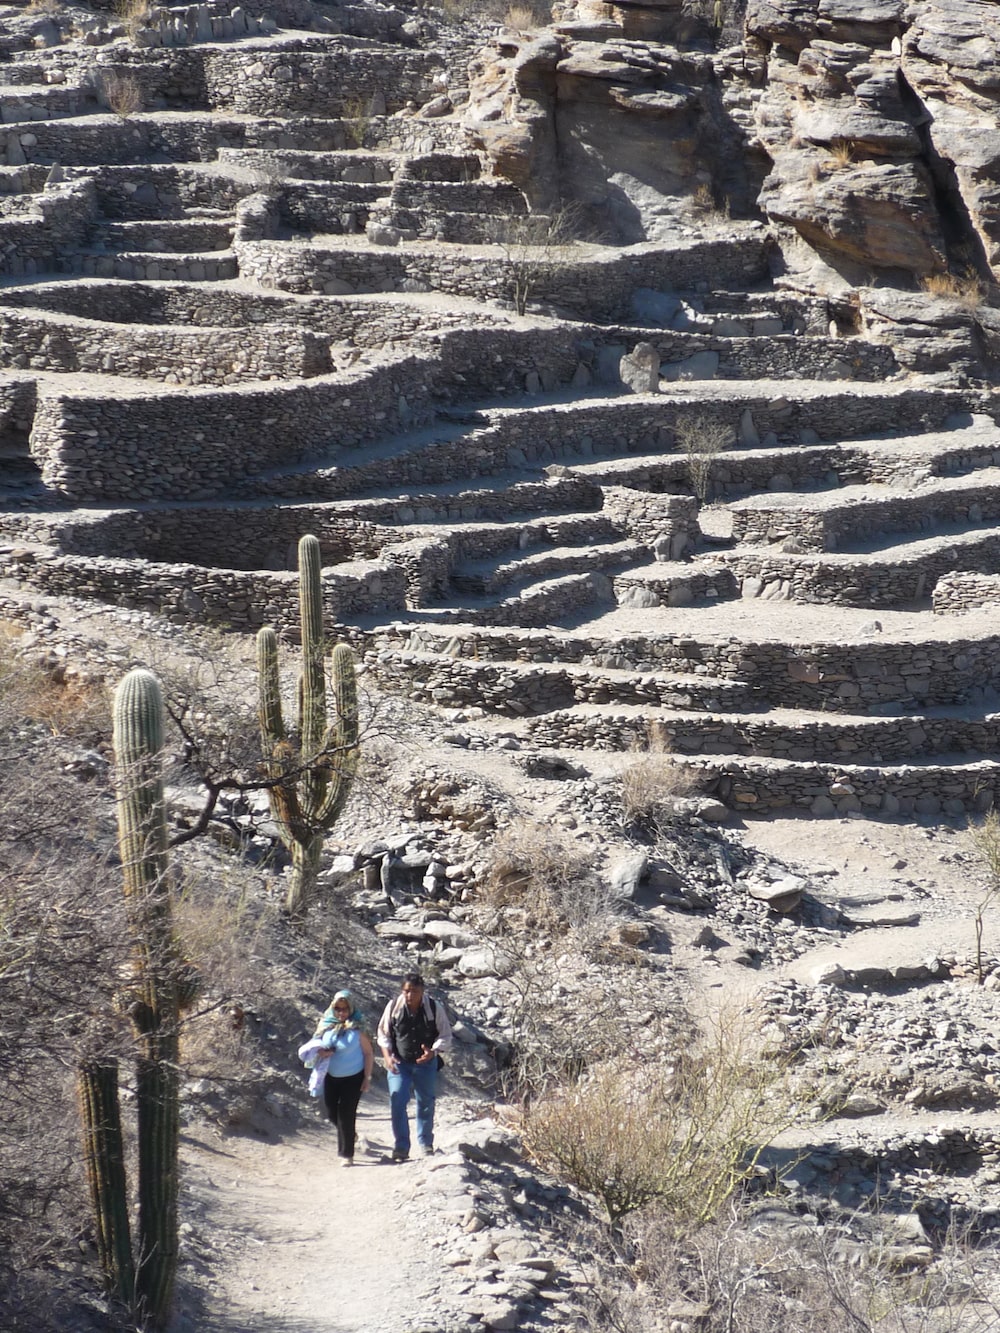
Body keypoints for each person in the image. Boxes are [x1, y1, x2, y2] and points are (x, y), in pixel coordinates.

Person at [377, 972, 452, 1162]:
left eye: (414, 991)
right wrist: (387, 1057)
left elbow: (445, 1035)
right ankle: (401, 1146)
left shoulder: (434, 1008)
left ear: (423, 991)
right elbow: (383, 1034)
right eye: (406, 991)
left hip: (426, 1064)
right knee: (397, 1100)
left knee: (425, 1102)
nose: (410, 995)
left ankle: (426, 1144)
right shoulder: (393, 1006)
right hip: (399, 1063)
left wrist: (433, 1052)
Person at [314, 989, 374, 1167]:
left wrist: (367, 1077)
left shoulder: (358, 1028)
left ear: (351, 1008)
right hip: (331, 1076)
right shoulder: (326, 1025)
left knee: (346, 1114)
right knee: (332, 1113)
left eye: (345, 1009)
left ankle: (346, 1154)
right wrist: (321, 1052)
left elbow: (368, 1053)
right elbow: (316, 1045)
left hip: (353, 1077)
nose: (341, 1013)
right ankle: (351, 1135)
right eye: (338, 1009)